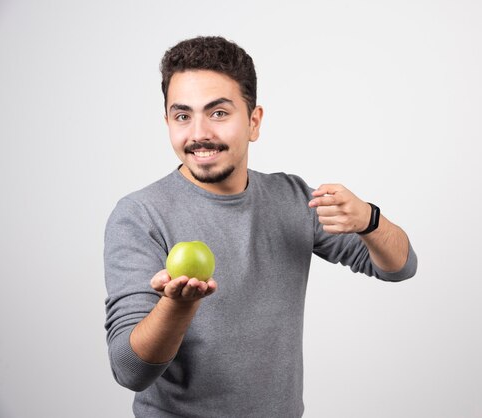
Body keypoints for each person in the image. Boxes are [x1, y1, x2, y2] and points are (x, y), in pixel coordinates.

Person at [104, 35, 417, 418]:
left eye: (218, 113)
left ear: (253, 122)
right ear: (168, 121)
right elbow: (130, 370)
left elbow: (401, 267)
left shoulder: (292, 198)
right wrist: (177, 306)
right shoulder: (139, 214)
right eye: (183, 115)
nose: (199, 133)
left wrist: (370, 220)